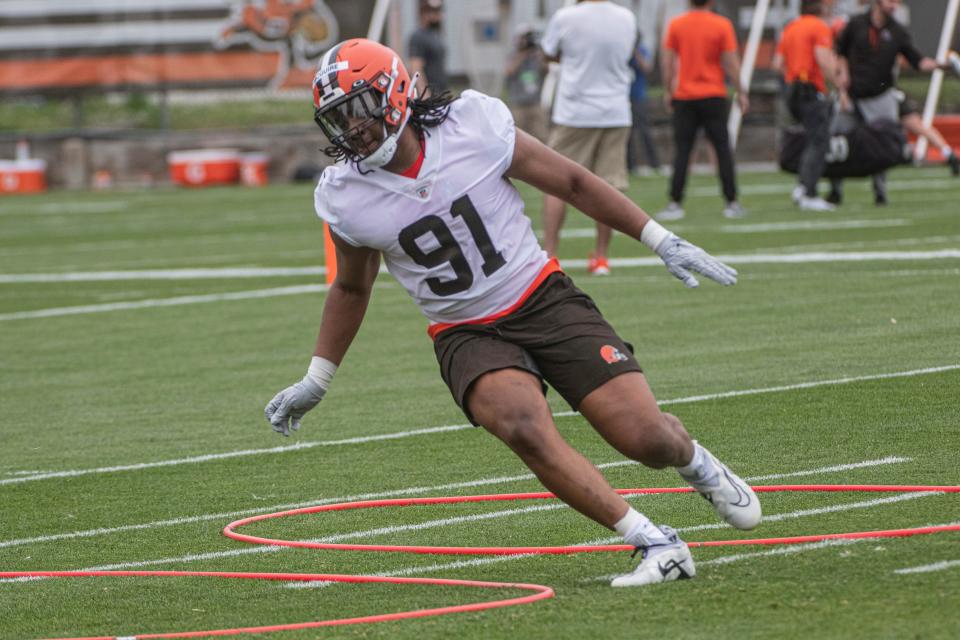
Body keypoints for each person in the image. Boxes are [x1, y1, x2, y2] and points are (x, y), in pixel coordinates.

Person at [266, 38, 761, 587]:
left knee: (648, 441)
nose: (353, 129)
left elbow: (571, 180)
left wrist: (658, 237)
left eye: (360, 108)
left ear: (397, 91)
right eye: (339, 118)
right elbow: (352, 289)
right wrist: (318, 377)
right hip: (464, 329)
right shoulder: (344, 194)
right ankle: (654, 542)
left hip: (541, 295)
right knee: (522, 425)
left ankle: (694, 461)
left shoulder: (471, 124)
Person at [539, 0, 638, 276]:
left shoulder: (566, 17)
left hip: (575, 111)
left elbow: (547, 54)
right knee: (610, 185)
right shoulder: (626, 18)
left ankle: (550, 256)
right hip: (616, 110)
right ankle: (602, 258)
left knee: (554, 183)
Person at [832, 0, 952, 205]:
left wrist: (943, 66)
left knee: (879, 145)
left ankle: (880, 191)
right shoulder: (856, 24)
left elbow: (918, 62)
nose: (894, 5)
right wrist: (842, 84)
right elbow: (840, 53)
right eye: (890, 1)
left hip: (880, 97)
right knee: (839, 139)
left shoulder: (897, 31)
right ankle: (835, 190)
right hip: (852, 95)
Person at [658, 0, 749, 221]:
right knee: (722, 149)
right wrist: (741, 90)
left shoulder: (677, 24)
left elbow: (667, 60)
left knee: (683, 150)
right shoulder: (721, 25)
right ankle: (732, 201)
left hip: (685, 95)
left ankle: (674, 202)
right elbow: (731, 62)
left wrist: (668, 89)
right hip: (713, 94)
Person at [772, 0, 838, 211]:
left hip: (792, 88)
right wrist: (839, 83)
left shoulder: (791, 27)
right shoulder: (818, 26)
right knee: (818, 141)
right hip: (809, 88)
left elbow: (777, 64)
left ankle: (803, 186)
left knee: (810, 139)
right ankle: (809, 191)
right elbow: (823, 59)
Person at [504, 25, 548, 143]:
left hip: (535, 103)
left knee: (541, 136)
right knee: (518, 138)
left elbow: (546, 70)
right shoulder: (514, 56)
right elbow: (509, 71)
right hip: (518, 104)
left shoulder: (537, 55)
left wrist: (541, 54)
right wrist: (523, 54)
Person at [898, 93, 960, 176]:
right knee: (917, 127)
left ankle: (948, 153)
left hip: (884, 96)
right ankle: (948, 153)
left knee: (915, 125)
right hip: (889, 95)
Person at [627, 36, 662, 176]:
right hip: (623, 96)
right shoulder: (620, 48)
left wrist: (635, 52)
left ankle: (654, 163)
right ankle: (630, 165)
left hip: (638, 96)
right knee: (627, 133)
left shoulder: (641, 50)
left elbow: (647, 68)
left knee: (644, 130)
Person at [408, 0, 446, 96]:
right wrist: (424, 95)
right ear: (424, 13)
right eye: (435, 11)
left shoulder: (434, 35)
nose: (439, 15)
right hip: (429, 95)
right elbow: (416, 68)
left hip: (439, 92)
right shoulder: (418, 36)